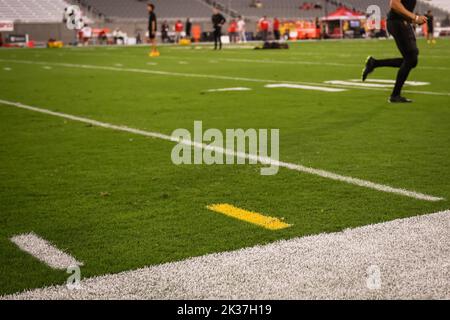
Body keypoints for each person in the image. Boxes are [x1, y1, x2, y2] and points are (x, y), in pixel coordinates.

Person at [361, 0, 427, 103]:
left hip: (402, 22)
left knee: (412, 60)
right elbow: (394, 3)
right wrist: (415, 17)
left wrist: (413, 19)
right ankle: (395, 95)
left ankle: (374, 63)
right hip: (397, 22)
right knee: (410, 59)